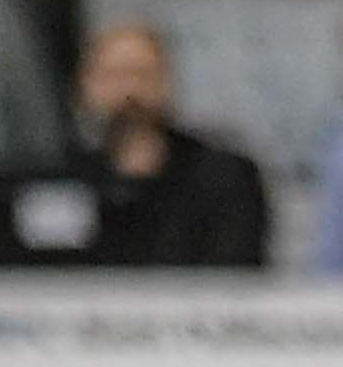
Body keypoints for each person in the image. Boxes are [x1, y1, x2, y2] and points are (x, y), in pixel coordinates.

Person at [42, 20, 271, 269]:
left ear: (167, 81)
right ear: (84, 85)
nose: (129, 91)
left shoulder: (223, 176)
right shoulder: (56, 177)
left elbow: (235, 267)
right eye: (114, 75)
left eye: (142, 74)